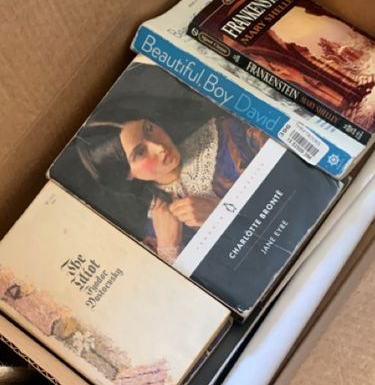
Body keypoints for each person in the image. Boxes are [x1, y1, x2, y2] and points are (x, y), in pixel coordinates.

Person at [73, 62, 267, 264]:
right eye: (140, 152)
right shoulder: (157, 226)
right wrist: (168, 244)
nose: (159, 147)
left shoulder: (230, 135)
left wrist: (220, 214)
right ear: (128, 175)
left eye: (149, 128)